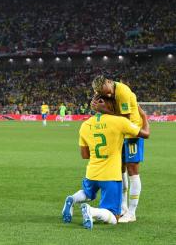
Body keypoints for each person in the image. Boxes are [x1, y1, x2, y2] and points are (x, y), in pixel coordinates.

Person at [62, 96, 150, 229]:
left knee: (87, 194)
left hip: (91, 173)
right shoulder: (119, 122)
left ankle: (72, 199)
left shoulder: (85, 125)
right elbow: (145, 134)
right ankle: (91, 211)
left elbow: (85, 155)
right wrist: (144, 117)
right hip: (111, 175)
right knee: (114, 217)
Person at [92, 75, 144, 223]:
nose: (106, 95)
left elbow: (125, 119)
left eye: (106, 91)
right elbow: (100, 100)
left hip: (132, 132)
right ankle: (123, 207)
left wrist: (104, 110)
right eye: (103, 93)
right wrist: (95, 102)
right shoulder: (106, 91)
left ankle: (132, 213)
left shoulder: (123, 92)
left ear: (109, 82)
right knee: (120, 170)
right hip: (119, 133)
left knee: (132, 170)